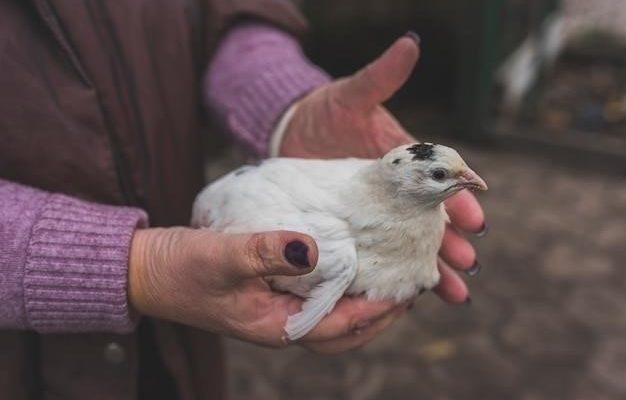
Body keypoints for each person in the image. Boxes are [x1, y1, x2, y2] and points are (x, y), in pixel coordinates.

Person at [0, 1, 486, 399]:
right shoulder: (332, 249)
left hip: (178, 348)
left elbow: (218, 13)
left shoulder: (369, 179)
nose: (470, 180)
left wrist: (286, 110)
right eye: (446, 175)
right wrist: (136, 265)